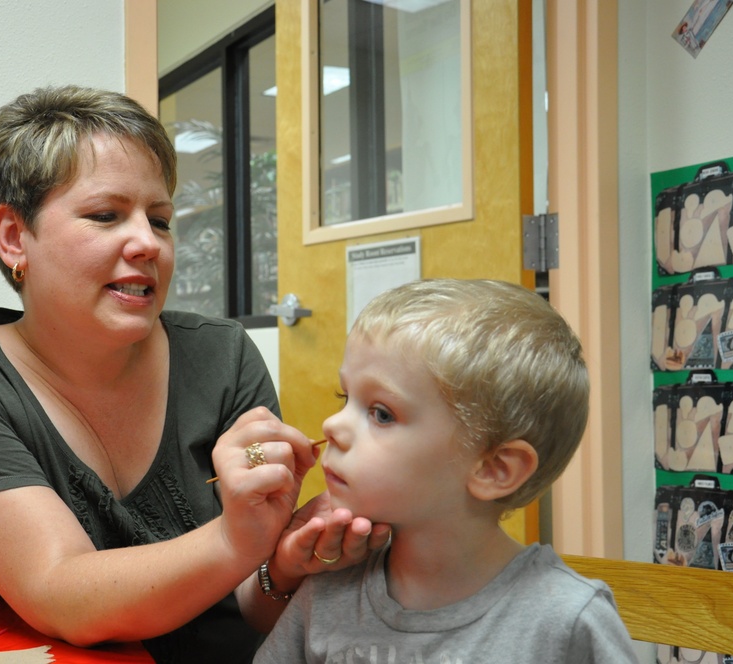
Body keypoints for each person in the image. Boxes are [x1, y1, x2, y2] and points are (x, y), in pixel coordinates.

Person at [0, 85, 390, 664]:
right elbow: (61, 593)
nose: (147, 244)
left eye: (159, 220)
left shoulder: (223, 355)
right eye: (106, 215)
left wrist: (283, 562)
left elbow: (254, 595)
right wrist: (238, 537)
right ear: (13, 236)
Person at [254, 279, 636, 663]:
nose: (332, 426)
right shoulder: (327, 591)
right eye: (346, 397)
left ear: (494, 469)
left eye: (381, 413)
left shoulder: (566, 622)